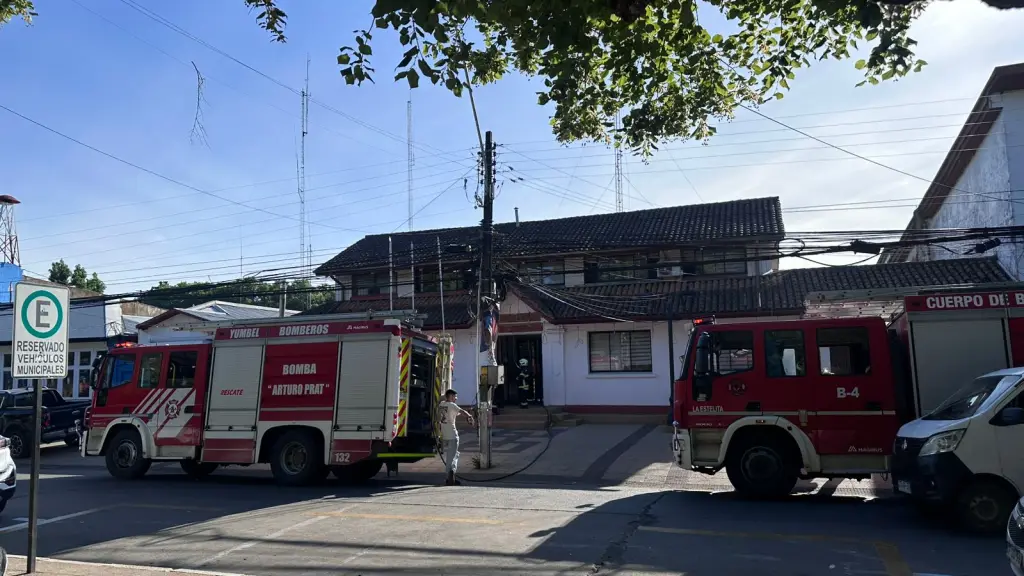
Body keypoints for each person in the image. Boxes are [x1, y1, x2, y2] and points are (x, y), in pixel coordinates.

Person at [438, 389, 474, 486]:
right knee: (453, 457)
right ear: (451, 396)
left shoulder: (442, 404)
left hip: (445, 435)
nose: (456, 399)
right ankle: (450, 477)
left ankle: (450, 478)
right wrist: (470, 416)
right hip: (453, 435)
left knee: (451, 456)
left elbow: (455, 412)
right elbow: (462, 412)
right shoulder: (452, 405)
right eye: (455, 397)